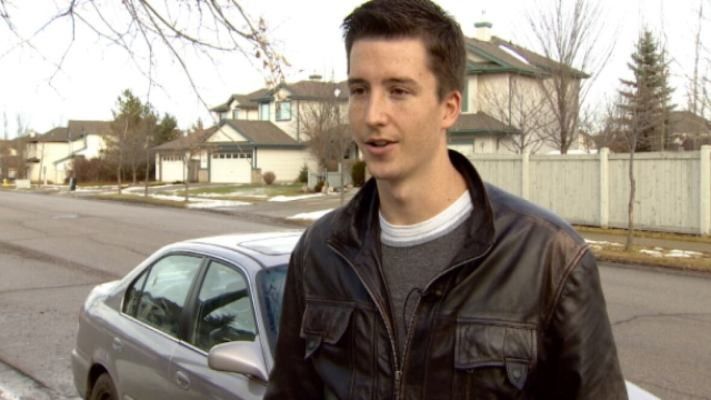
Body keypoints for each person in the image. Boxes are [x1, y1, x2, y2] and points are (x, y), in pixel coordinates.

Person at [265, 0, 627, 398]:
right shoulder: (321, 253)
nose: (373, 115)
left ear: (449, 108)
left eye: (399, 90)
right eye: (359, 90)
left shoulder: (547, 258)